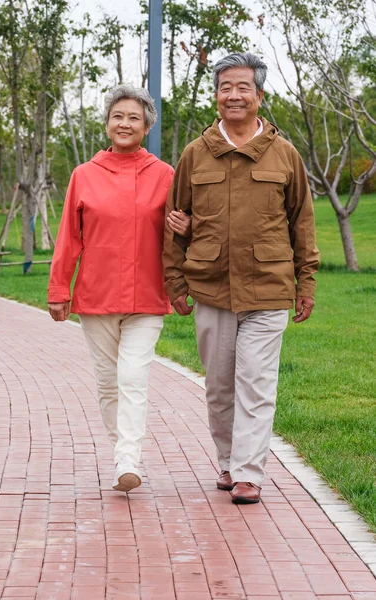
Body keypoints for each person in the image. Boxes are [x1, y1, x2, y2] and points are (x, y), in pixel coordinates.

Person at [163, 52, 320, 504]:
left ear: (259, 95)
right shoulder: (195, 154)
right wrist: (176, 282)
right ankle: (229, 461)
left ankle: (251, 472)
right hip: (211, 287)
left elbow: (302, 224)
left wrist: (305, 283)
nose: (234, 95)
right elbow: (175, 221)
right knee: (219, 386)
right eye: (225, 87)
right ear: (216, 96)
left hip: (268, 287)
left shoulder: (284, 154)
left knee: (256, 381)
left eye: (243, 87)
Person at [48, 84, 190, 493]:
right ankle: (120, 452)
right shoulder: (84, 175)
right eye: (118, 116)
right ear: (107, 123)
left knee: (132, 376)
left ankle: (128, 458)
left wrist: (188, 245)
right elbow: (68, 239)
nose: (125, 123)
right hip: (97, 296)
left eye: (134, 117)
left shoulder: (165, 175)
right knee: (108, 382)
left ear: (146, 126)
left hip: (147, 295)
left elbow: (183, 234)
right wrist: (60, 290)